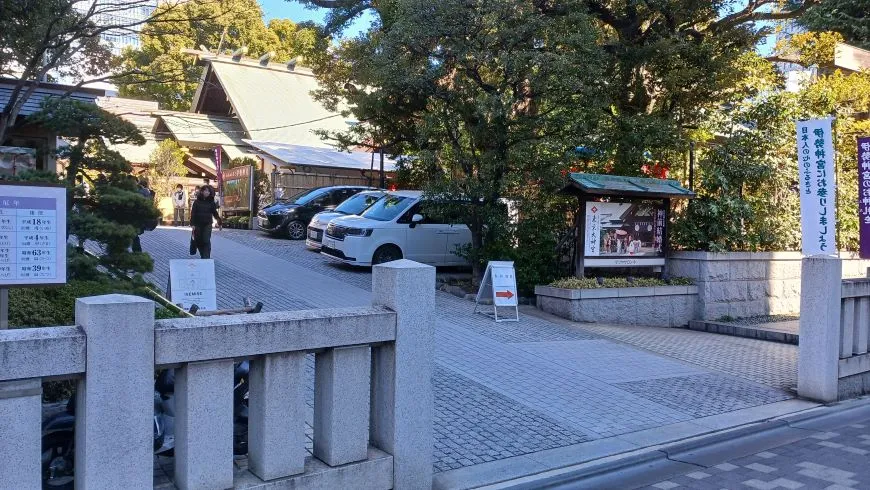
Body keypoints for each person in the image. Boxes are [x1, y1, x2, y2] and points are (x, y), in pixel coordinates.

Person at [191, 185, 222, 259]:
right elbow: (193, 213)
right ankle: (203, 255)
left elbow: (215, 213)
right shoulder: (196, 202)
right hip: (198, 224)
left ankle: (206, 257)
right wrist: (192, 224)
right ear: (202, 191)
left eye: (208, 191)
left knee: (206, 240)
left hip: (207, 224)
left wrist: (219, 222)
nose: (207, 192)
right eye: (205, 190)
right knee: (199, 241)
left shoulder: (211, 202)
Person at [132, 178, 154, 253]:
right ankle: (137, 252)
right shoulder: (146, 191)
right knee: (134, 236)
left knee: (133, 236)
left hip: (135, 217)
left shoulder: (142, 191)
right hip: (136, 217)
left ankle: (137, 252)